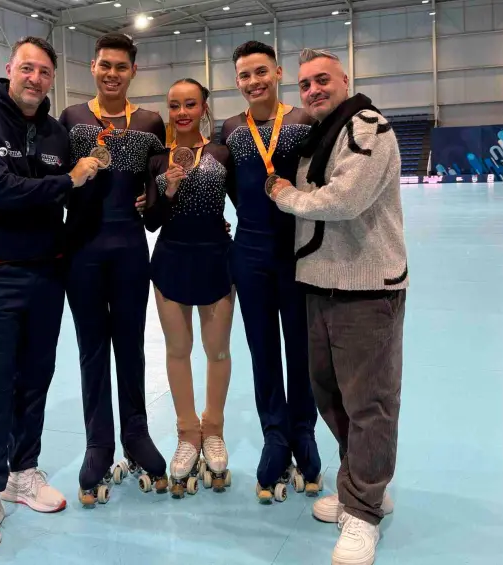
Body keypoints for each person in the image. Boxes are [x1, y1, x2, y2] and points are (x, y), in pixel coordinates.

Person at [0, 36, 101, 550]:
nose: (34, 78)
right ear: (10, 70)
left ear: (52, 80)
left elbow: (67, 196)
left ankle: (24, 471)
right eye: (27, 68)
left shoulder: (59, 135)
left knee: (36, 377)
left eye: (44, 72)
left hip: (46, 274)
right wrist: (67, 183)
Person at [268, 48, 407, 565]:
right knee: (333, 397)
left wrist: (285, 195)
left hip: (367, 287)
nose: (313, 91)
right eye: (304, 85)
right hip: (320, 283)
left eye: (322, 80)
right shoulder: (320, 135)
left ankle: (364, 511)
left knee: (369, 403)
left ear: (345, 79)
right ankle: (361, 486)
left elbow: (345, 199)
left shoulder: (367, 127)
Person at [58, 32, 168, 506]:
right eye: (104, 65)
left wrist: (154, 201)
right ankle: (98, 444)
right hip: (81, 249)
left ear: (133, 72)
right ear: (93, 67)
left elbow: (158, 190)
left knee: (130, 347)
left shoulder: (149, 122)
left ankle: (137, 436)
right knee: (91, 349)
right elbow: (57, 181)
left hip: (128, 248)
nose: (111, 73)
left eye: (121, 67)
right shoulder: (71, 119)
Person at [219, 40, 322, 503]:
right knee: (262, 350)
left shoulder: (304, 120)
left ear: (277, 72)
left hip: (300, 252)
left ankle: (304, 432)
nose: (253, 82)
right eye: (244, 75)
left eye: (260, 72)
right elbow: (226, 186)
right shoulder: (231, 128)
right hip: (251, 252)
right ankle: (275, 435)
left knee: (301, 349)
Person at [143, 78, 236, 498]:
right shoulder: (157, 159)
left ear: (203, 108)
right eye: (175, 105)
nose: (182, 112)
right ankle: (187, 434)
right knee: (177, 351)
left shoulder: (222, 153)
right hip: (171, 260)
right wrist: (170, 188)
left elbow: (247, 203)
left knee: (217, 351)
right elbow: (151, 221)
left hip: (216, 259)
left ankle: (213, 428)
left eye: (190, 104)